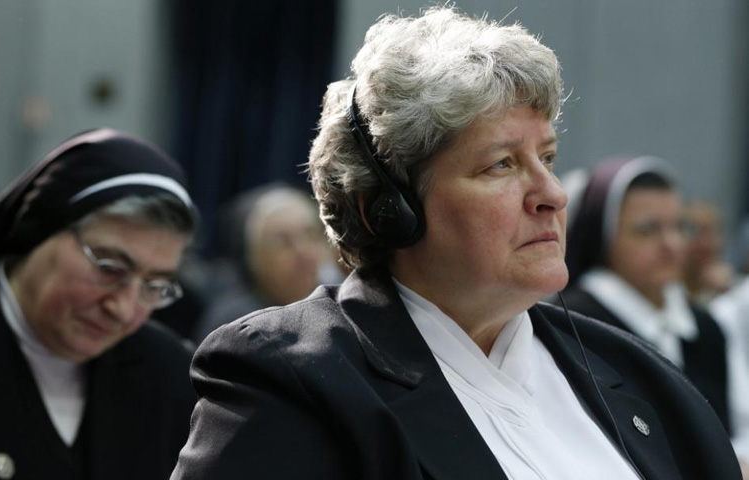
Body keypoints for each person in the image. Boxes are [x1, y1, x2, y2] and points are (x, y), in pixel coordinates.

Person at [172, 7, 741, 479]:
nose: (551, 194)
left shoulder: (635, 370)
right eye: (500, 165)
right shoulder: (295, 378)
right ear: (390, 211)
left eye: (546, 158)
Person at [0, 128, 198, 480]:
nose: (124, 309)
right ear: (41, 231)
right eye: (109, 267)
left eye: (155, 285)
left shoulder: (167, 373)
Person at [561, 155, 749, 475]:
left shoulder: (703, 326)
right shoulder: (573, 322)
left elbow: (733, 424)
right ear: (603, 234)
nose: (672, 244)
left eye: (679, 227)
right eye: (648, 230)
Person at [193, 183, 339, 343]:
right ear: (253, 259)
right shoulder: (236, 327)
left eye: (311, 234)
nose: (303, 251)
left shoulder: (339, 307)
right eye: (282, 241)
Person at [682, 198, 734, 305]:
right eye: (697, 232)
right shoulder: (668, 288)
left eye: (712, 232)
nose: (705, 243)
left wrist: (728, 293)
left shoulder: (735, 288)